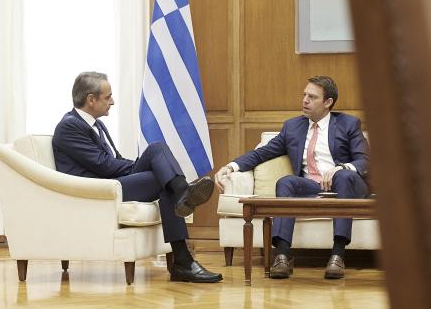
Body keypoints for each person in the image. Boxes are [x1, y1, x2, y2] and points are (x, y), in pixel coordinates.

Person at [53, 72, 221, 283]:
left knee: (160, 162)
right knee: (159, 168)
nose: (112, 102)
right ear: (91, 99)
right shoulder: (69, 126)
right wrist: (136, 166)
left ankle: (183, 252)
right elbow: (103, 165)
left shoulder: (96, 124)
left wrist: (136, 166)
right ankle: (183, 256)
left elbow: (114, 160)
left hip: (110, 184)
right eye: (108, 97)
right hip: (97, 191)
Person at [215, 76, 370, 280]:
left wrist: (340, 168)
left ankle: (338, 254)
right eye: (304, 95)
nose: (305, 100)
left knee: (342, 176)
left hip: (346, 186)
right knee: (286, 181)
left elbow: (364, 160)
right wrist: (230, 167)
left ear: (328, 102)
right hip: (312, 186)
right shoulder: (293, 127)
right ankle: (282, 255)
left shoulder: (348, 124)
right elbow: (262, 153)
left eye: (312, 97)